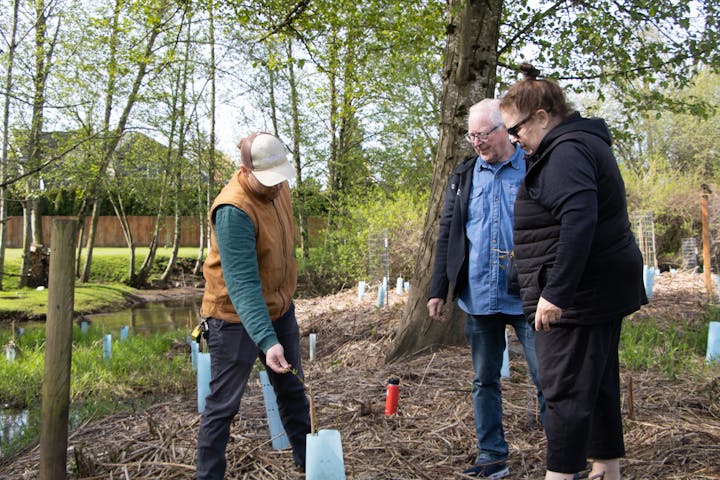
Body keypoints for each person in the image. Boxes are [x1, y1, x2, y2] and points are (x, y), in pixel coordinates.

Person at [498, 63, 647, 480]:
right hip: (594, 287)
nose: (514, 139)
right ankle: (607, 467)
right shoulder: (574, 145)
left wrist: (556, 293)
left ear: (542, 117)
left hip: (580, 295)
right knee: (597, 383)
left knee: (564, 390)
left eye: (516, 129)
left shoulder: (566, 151)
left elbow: (579, 220)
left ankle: (561, 474)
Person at [428, 98, 545, 479]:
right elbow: (447, 234)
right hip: (479, 297)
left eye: (483, 134)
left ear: (505, 130)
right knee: (484, 381)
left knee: (549, 378)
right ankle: (492, 457)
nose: (476, 142)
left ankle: (564, 459)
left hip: (529, 297)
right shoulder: (463, 176)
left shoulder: (533, 166)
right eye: (471, 135)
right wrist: (437, 289)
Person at [196, 132, 310, 479]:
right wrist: (267, 340)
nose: (277, 187)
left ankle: (310, 464)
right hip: (233, 317)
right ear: (246, 171)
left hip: (278, 309)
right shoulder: (233, 209)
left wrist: (281, 313)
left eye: (280, 179)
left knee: (293, 391)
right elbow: (243, 285)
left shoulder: (279, 185)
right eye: (269, 181)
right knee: (223, 405)